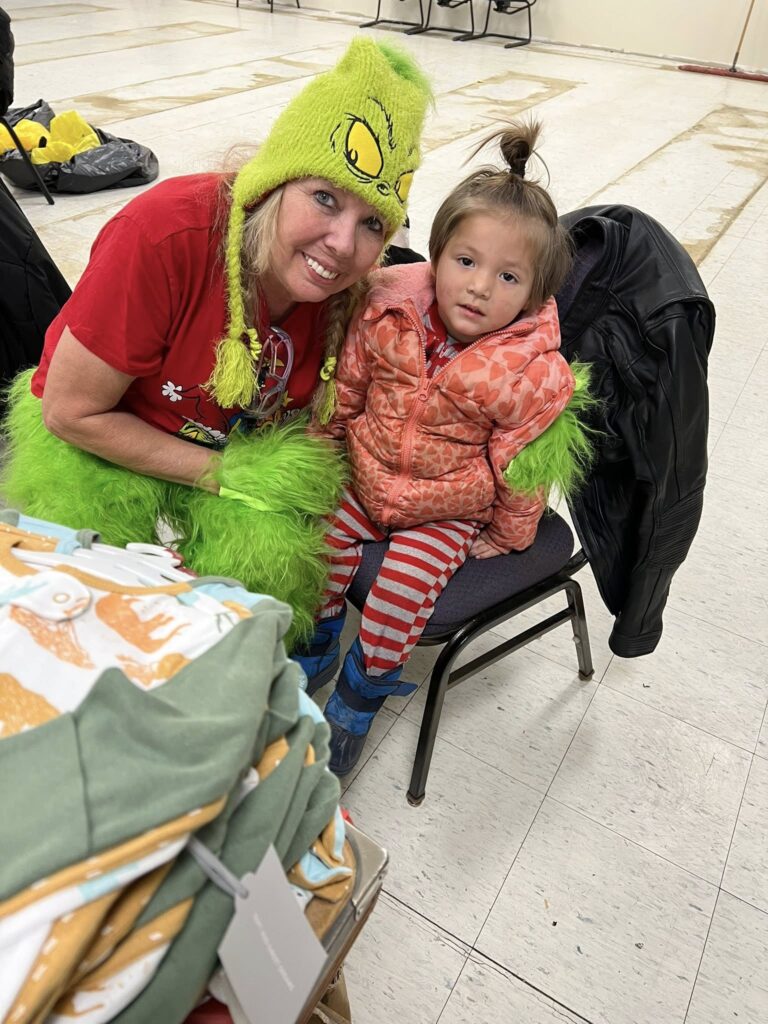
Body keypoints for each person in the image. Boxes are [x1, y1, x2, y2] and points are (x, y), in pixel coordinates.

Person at [1, 37, 431, 646]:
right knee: (75, 599)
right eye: (324, 198)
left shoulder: (355, 293)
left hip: (233, 446)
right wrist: (218, 474)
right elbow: (70, 411)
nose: (341, 244)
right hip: (104, 428)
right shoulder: (163, 234)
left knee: (264, 579)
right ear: (275, 181)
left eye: (371, 224)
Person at [297, 121, 592, 774]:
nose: (480, 286)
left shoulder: (528, 370)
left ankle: (359, 695)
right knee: (315, 550)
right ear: (436, 254)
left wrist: (511, 533)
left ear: (536, 293)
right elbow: (350, 384)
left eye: (508, 276)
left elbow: (523, 463)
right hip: (367, 474)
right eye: (466, 262)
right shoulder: (388, 308)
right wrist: (323, 447)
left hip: (448, 506)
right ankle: (314, 648)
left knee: (397, 597)